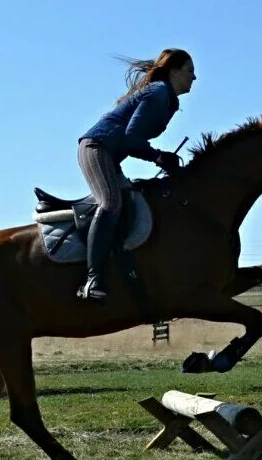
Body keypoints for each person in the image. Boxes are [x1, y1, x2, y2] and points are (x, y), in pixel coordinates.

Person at [76, 48, 196, 302]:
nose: (194, 78)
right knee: (111, 202)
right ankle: (91, 280)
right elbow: (131, 138)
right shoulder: (159, 93)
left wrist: (160, 156)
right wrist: (158, 156)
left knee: (134, 202)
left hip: (110, 154)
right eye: (189, 71)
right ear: (173, 71)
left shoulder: (168, 99)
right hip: (96, 148)